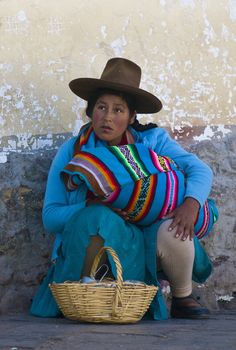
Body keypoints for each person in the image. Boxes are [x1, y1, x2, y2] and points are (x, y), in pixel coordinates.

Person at [30, 57, 218, 320]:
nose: (107, 117)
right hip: (91, 249)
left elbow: (200, 170)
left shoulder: (152, 141)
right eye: (101, 107)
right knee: (97, 218)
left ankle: (182, 296)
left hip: (140, 247)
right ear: (90, 111)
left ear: (131, 117)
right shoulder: (74, 152)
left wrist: (192, 203)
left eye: (118, 110)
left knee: (175, 228)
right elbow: (50, 217)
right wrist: (89, 206)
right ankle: (87, 292)